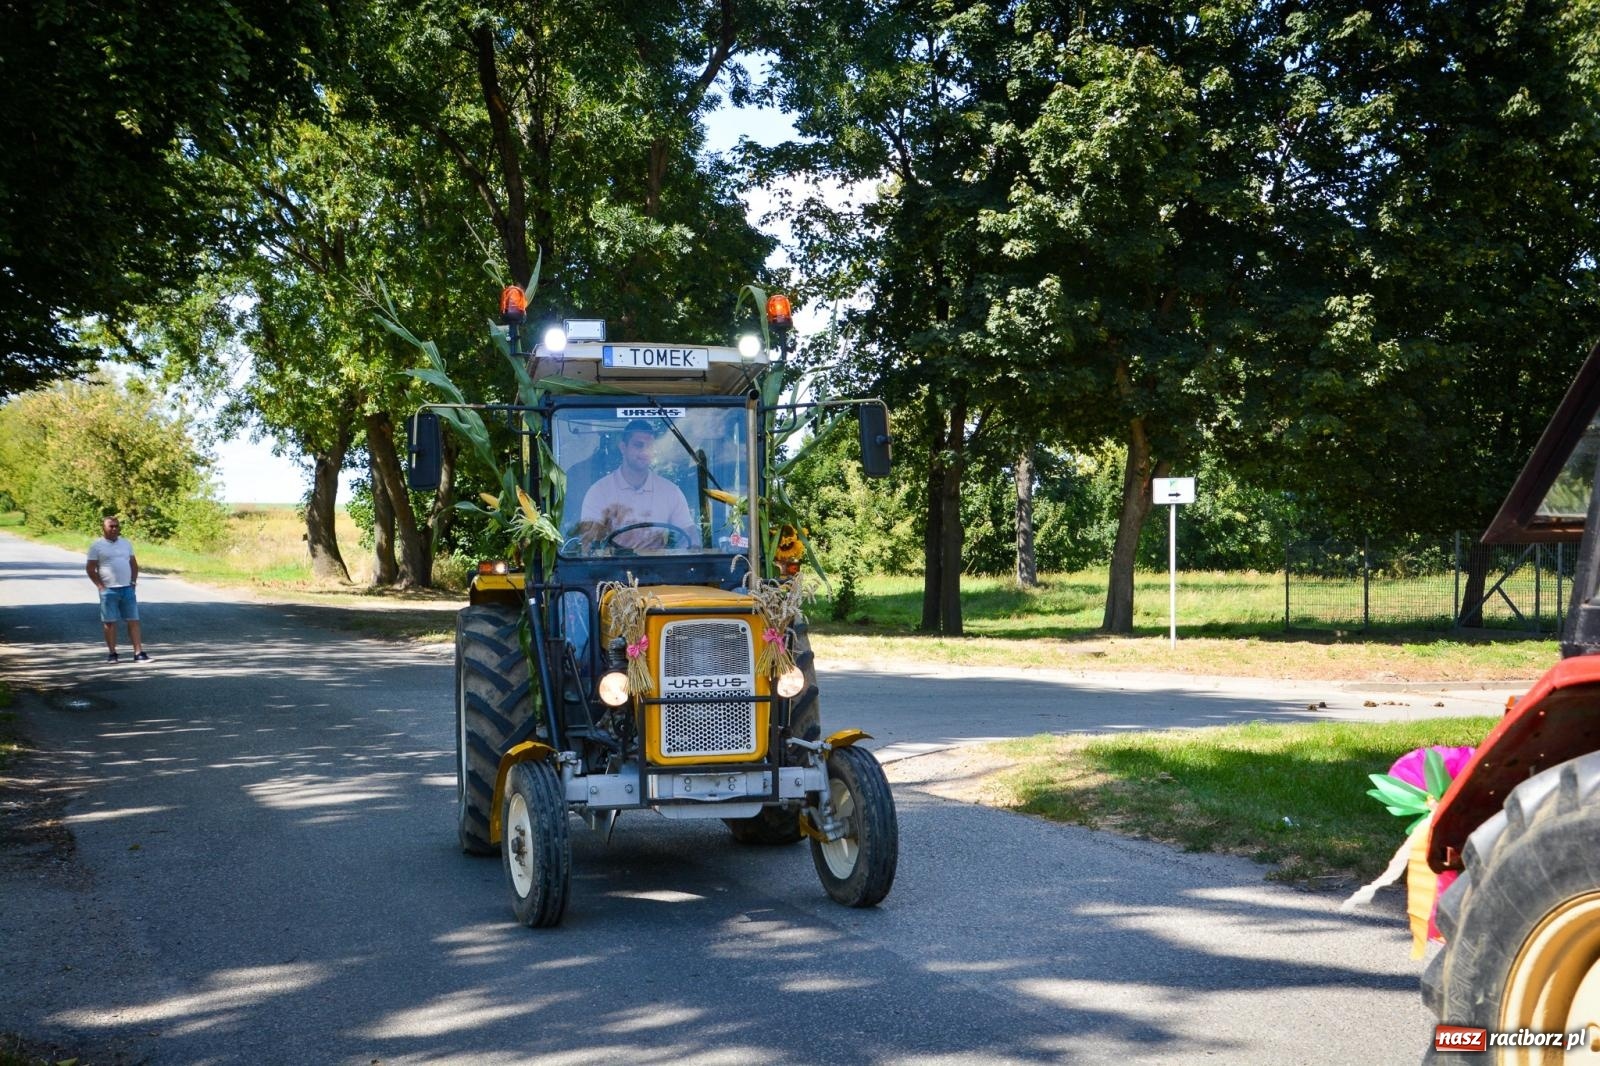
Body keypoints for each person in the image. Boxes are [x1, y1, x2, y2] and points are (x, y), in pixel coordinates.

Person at [578, 419, 700, 551]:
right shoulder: (599, 492)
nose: (645, 452)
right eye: (638, 445)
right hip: (612, 568)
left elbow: (689, 535)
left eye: (650, 446)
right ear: (623, 448)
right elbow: (589, 544)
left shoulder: (671, 492)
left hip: (661, 568)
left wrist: (690, 550)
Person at [87, 515, 149, 663]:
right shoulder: (97, 546)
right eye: (111, 526)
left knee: (133, 620)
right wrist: (101, 587)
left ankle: (138, 653)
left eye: (116, 526)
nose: (114, 529)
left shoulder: (126, 544)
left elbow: (133, 564)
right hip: (108, 590)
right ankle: (112, 653)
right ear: (104, 528)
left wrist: (133, 582)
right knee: (109, 622)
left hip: (127, 588)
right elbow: (90, 569)